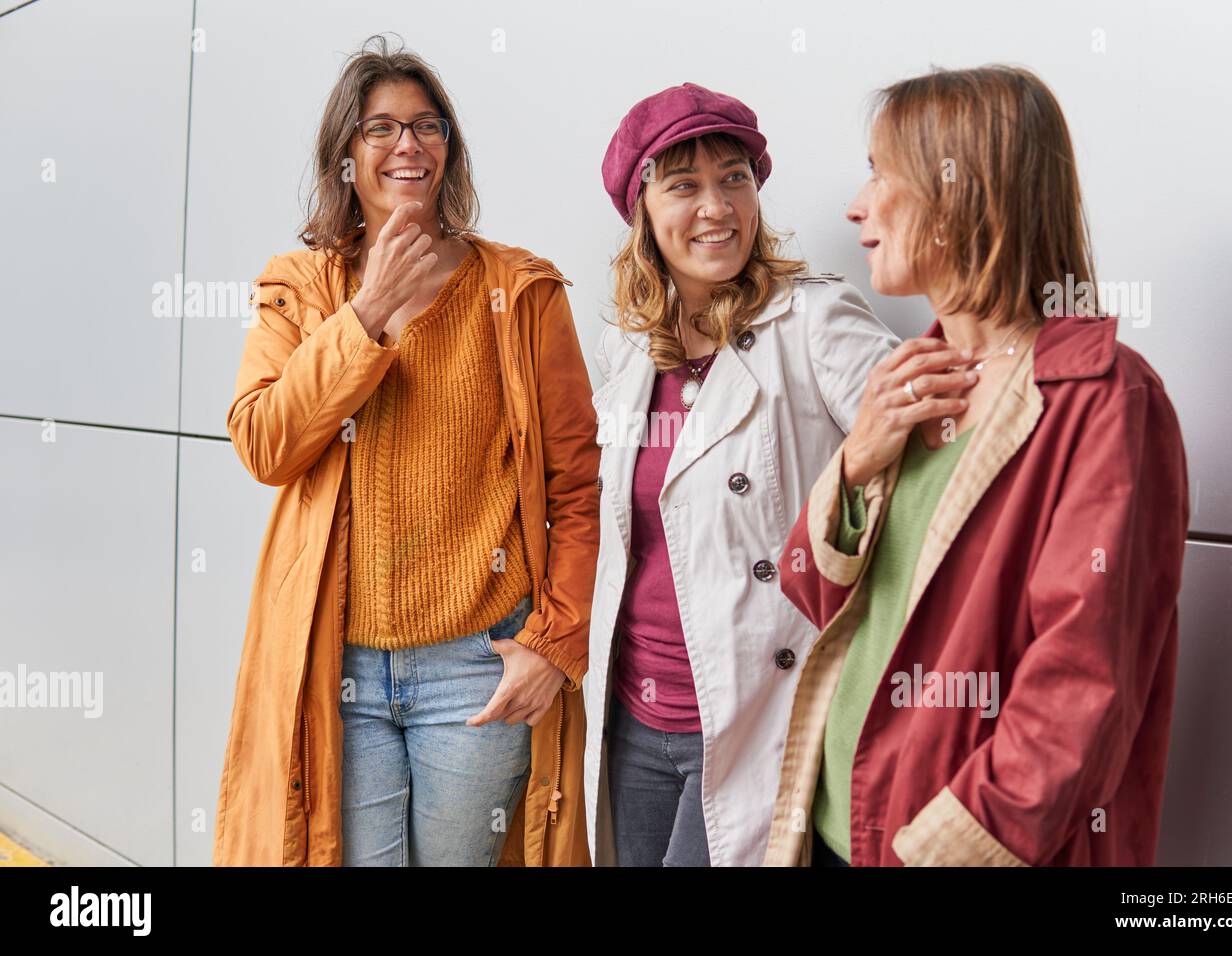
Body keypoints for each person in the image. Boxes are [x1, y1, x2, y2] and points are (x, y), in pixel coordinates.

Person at [767, 65, 1190, 867]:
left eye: (878, 173)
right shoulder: (908, 377)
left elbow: (1079, 697)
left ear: (961, 192)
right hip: (827, 829)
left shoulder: (1105, 401)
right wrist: (856, 461)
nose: (856, 205)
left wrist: (942, 849)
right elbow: (810, 593)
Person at [213, 35, 598, 867]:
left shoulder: (522, 292)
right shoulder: (304, 285)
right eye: (381, 128)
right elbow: (265, 443)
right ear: (346, 155)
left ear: (449, 149)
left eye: (428, 127)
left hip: (477, 665)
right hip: (339, 670)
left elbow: (575, 486)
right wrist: (369, 313)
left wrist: (555, 644)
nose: (408, 146)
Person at [585, 82, 899, 866]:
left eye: (735, 178)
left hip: (756, 715)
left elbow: (929, 474)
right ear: (642, 210)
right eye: (684, 185)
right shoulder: (625, 349)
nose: (716, 207)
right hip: (633, 717)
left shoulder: (813, 320)